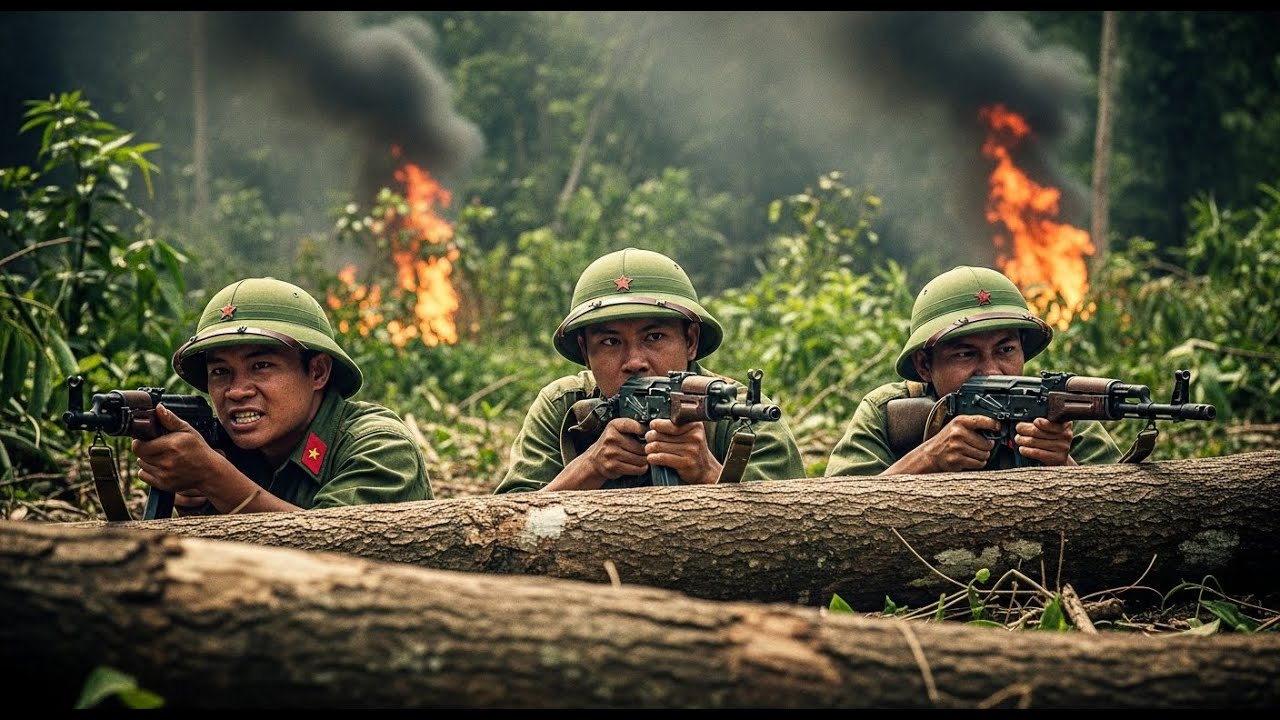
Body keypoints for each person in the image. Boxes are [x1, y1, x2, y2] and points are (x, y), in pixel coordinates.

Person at [495, 247, 806, 493]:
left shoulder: (739, 414)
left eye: (654, 337)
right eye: (610, 342)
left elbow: (792, 528)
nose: (634, 361)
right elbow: (506, 523)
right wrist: (589, 468)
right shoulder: (562, 406)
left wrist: (707, 473)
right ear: (585, 352)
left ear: (690, 341)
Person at [131, 277, 432, 515]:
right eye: (220, 372)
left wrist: (217, 481)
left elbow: (336, 551)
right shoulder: (232, 452)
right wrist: (195, 504)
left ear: (317, 372)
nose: (237, 391)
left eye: (261, 366)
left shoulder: (382, 448)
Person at [824, 265, 1121, 476]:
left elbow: (1122, 515)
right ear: (924, 365)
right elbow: (836, 515)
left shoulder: (1058, 410)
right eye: (966, 354)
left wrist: (1063, 465)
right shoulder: (887, 412)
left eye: (1006, 350)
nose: (992, 371)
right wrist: (928, 459)